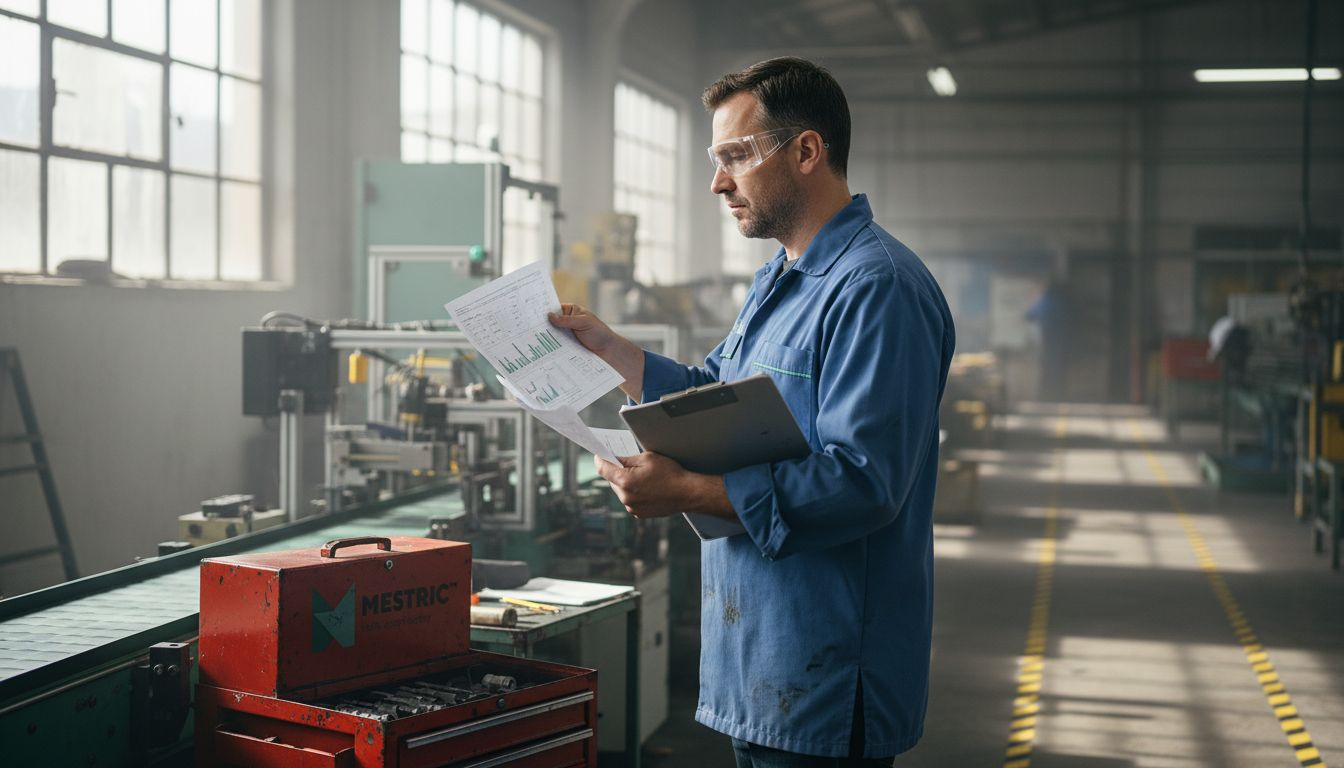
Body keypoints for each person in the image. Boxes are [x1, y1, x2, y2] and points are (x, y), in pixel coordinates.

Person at [549, 57, 955, 766]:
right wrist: (616, 354)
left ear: (806, 152)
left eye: (737, 155)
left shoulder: (876, 290)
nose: (718, 182)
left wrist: (689, 493)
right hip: (767, 657)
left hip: (827, 671)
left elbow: (864, 481)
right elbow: (718, 389)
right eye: (718, 158)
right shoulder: (782, 277)